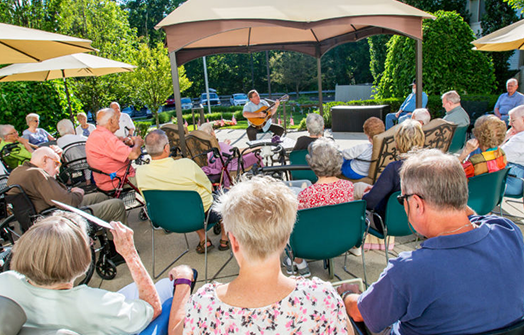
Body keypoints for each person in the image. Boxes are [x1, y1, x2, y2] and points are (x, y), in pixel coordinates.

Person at [341, 149, 524, 335]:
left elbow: (359, 313)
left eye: (401, 200)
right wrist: (453, 197)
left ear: (416, 204)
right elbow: (474, 217)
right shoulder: (507, 231)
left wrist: (346, 295)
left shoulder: (410, 269)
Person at [171, 176, 350, 334]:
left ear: (233, 241)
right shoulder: (323, 298)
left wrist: (183, 281)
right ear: (287, 237)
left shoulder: (204, 305)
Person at [0, 211, 194, 335]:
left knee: (134, 289)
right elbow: (153, 308)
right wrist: (130, 254)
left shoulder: (4, 282)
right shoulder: (92, 302)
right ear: (79, 259)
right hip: (123, 325)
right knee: (176, 283)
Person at [137, 130, 230, 253]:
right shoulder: (186, 165)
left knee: (186, 200)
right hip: (200, 217)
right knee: (224, 195)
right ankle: (224, 239)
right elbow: (208, 186)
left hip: (164, 219)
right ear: (166, 148)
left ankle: (204, 240)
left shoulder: (141, 172)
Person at [6, 147, 126, 224]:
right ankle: (117, 252)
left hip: (45, 212)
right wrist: (78, 192)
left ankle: (103, 239)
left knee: (100, 197)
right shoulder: (37, 174)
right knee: (117, 205)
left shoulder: (20, 170)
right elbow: (68, 202)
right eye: (56, 164)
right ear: (44, 160)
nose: (58, 170)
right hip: (58, 217)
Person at [290, 138, 355, 275]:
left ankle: (299, 263)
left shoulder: (306, 194)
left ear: (312, 164)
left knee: (289, 223)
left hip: (312, 243)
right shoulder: (348, 187)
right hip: (342, 238)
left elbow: (297, 226)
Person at [362, 120, 425, 232]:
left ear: (397, 143)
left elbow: (370, 202)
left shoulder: (394, 168)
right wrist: (378, 189)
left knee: (357, 211)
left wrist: (365, 196)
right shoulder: (428, 165)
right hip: (418, 221)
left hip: (386, 223)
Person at [87, 108, 144, 191]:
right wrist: (138, 143)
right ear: (111, 121)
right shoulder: (108, 138)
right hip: (119, 181)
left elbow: (110, 149)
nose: (119, 121)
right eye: (117, 118)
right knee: (155, 176)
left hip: (104, 181)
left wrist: (122, 141)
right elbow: (134, 155)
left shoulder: (95, 134)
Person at [197, 123, 261, 187]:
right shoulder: (219, 145)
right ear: (212, 133)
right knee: (256, 155)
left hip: (221, 164)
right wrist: (254, 148)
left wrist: (225, 144)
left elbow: (223, 152)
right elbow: (237, 152)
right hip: (231, 166)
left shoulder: (206, 146)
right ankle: (262, 177)